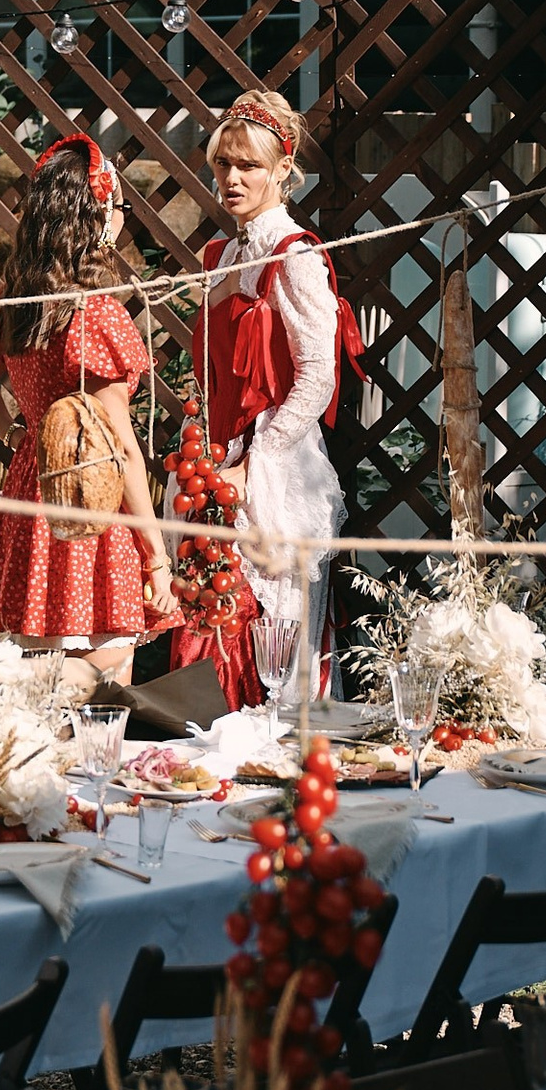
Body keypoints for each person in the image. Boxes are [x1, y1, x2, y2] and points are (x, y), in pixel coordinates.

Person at [0, 132, 175, 678]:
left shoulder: (19, 303)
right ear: (98, 218)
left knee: (40, 663)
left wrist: (20, 437)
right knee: (100, 677)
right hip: (87, 497)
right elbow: (121, 448)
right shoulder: (94, 314)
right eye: (119, 209)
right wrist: (157, 556)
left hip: (35, 488)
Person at [184, 87, 359, 703]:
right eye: (222, 164)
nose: (231, 179)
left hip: (274, 469)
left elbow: (318, 377)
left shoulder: (296, 254)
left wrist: (256, 460)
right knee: (209, 620)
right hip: (216, 464)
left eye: (248, 165)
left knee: (273, 637)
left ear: (283, 170)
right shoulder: (222, 253)